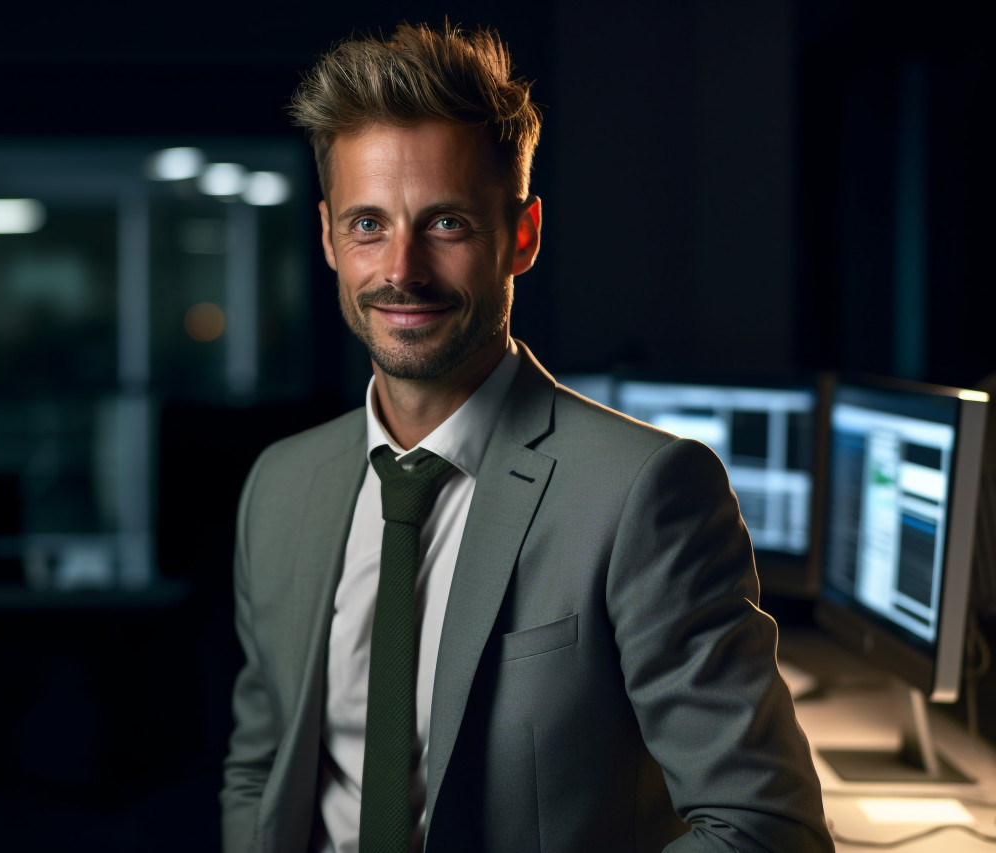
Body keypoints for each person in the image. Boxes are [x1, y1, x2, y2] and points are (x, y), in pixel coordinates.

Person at [221, 21, 834, 853]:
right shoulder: (280, 486)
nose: (401, 268)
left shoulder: (646, 493)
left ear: (522, 235)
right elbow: (262, 768)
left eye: (446, 224)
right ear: (329, 236)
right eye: (369, 225)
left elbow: (767, 828)